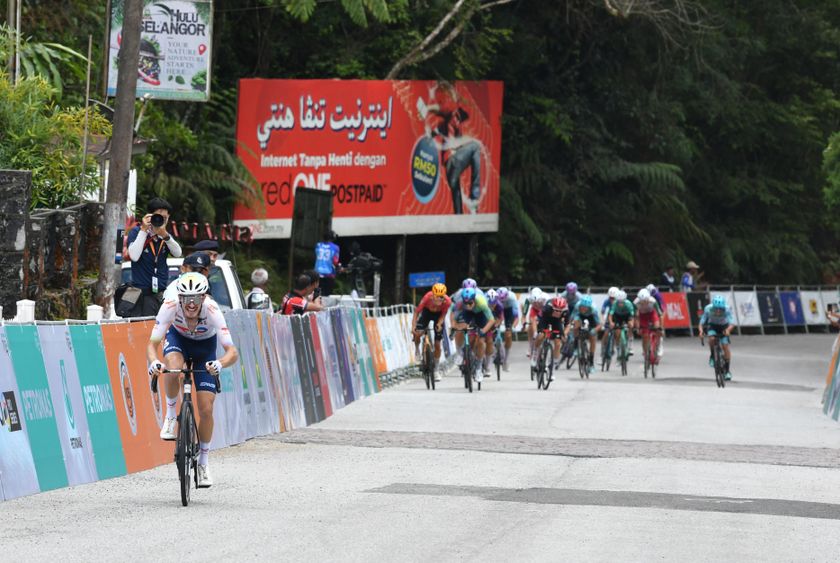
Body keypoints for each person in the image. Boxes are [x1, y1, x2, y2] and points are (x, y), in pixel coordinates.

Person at [147, 272, 239, 488]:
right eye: (186, 298)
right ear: (179, 297)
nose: (190, 303)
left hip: (205, 349)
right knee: (173, 367)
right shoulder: (170, 306)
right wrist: (153, 362)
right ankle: (170, 417)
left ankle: (204, 463)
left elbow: (232, 352)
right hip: (178, 340)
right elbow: (152, 344)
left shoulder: (213, 310)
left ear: (204, 297)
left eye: (196, 298)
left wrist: (219, 363)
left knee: (206, 409)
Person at [420, 82, 482, 214]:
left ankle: (460, 218)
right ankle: (474, 198)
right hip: (453, 161)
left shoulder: (456, 116)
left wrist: (430, 132)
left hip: (451, 172)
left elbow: (435, 130)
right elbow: (441, 110)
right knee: (475, 147)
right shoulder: (448, 116)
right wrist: (428, 109)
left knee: (457, 197)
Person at [124, 197, 182, 316]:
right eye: (158, 216)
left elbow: (178, 253)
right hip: (140, 293)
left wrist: (165, 236)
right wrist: (144, 230)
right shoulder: (137, 232)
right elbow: (134, 256)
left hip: (159, 293)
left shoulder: (164, 236)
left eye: (165, 218)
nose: (160, 220)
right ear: (149, 216)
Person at [449, 287, 495, 384]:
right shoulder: (461, 303)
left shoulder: (482, 302)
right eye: (466, 304)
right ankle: (462, 353)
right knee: (463, 328)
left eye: (470, 303)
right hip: (468, 314)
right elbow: (453, 314)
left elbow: (491, 320)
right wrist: (453, 326)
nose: (468, 305)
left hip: (480, 315)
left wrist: (483, 330)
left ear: (474, 300)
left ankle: (478, 368)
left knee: (481, 342)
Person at [411, 283, 451, 381]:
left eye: (441, 297)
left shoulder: (447, 302)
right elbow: (417, 312)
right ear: (433, 295)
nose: (439, 300)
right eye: (437, 297)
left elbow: (443, 315)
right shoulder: (427, 298)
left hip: (438, 316)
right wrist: (413, 326)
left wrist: (439, 323)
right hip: (426, 313)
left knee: (437, 344)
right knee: (417, 333)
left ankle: (436, 370)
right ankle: (417, 350)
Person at [698, 294, 736, 381]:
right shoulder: (708, 309)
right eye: (716, 309)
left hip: (724, 326)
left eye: (720, 309)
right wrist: (701, 331)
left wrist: (728, 330)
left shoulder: (727, 309)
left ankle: (727, 371)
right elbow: (702, 322)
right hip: (713, 326)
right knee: (711, 338)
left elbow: (732, 323)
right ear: (713, 307)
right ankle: (712, 356)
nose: (718, 311)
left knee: (725, 346)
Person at [534, 297, 569, 379]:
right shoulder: (547, 308)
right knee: (541, 336)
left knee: (558, 343)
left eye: (560, 311)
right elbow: (539, 319)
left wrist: (564, 334)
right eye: (556, 310)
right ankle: (535, 354)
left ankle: (552, 367)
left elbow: (567, 325)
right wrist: (539, 331)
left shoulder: (566, 311)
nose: (557, 312)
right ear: (552, 307)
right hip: (545, 319)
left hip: (557, 322)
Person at [571, 294, 602, 375]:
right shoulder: (577, 306)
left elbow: (599, 325)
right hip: (579, 317)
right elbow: (572, 318)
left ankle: (591, 363)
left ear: (589, 307)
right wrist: (571, 325)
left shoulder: (593, 310)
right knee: (576, 324)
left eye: (585, 307)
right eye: (582, 307)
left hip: (591, 319)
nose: (583, 308)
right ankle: (575, 346)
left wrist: (594, 330)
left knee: (593, 337)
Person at [634, 288, 663, 362]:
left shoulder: (653, 301)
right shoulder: (636, 303)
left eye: (645, 301)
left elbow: (660, 315)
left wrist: (661, 327)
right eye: (642, 302)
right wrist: (638, 328)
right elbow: (636, 317)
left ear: (648, 299)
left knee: (657, 329)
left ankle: (658, 348)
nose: (644, 303)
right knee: (644, 335)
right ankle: (645, 352)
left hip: (652, 314)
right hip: (642, 316)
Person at [496, 287, 520, 371]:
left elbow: (516, 318)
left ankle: (506, 359)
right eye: (500, 300)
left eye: (503, 300)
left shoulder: (512, 298)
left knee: (508, 334)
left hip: (509, 310)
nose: (502, 301)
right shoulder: (495, 297)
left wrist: (512, 327)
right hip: (498, 309)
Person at [608, 290, 636, 357]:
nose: (620, 304)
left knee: (630, 325)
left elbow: (632, 316)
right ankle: (618, 348)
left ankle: (630, 346)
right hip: (618, 316)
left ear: (625, 300)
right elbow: (610, 315)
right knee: (617, 332)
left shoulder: (628, 304)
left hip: (627, 315)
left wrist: (631, 323)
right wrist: (611, 322)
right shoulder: (614, 303)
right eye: (619, 302)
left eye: (622, 302)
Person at [314, 231, 341, 296]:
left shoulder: (318, 245)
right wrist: (339, 266)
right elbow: (335, 261)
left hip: (317, 272)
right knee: (327, 294)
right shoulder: (335, 247)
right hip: (329, 273)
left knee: (317, 294)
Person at [600, 287, 620, 360]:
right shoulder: (607, 301)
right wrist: (602, 320)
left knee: (618, 333)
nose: (612, 300)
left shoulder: (620, 301)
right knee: (606, 333)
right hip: (610, 317)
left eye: (613, 298)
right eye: (610, 298)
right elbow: (602, 312)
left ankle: (617, 348)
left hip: (618, 317)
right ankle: (602, 351)